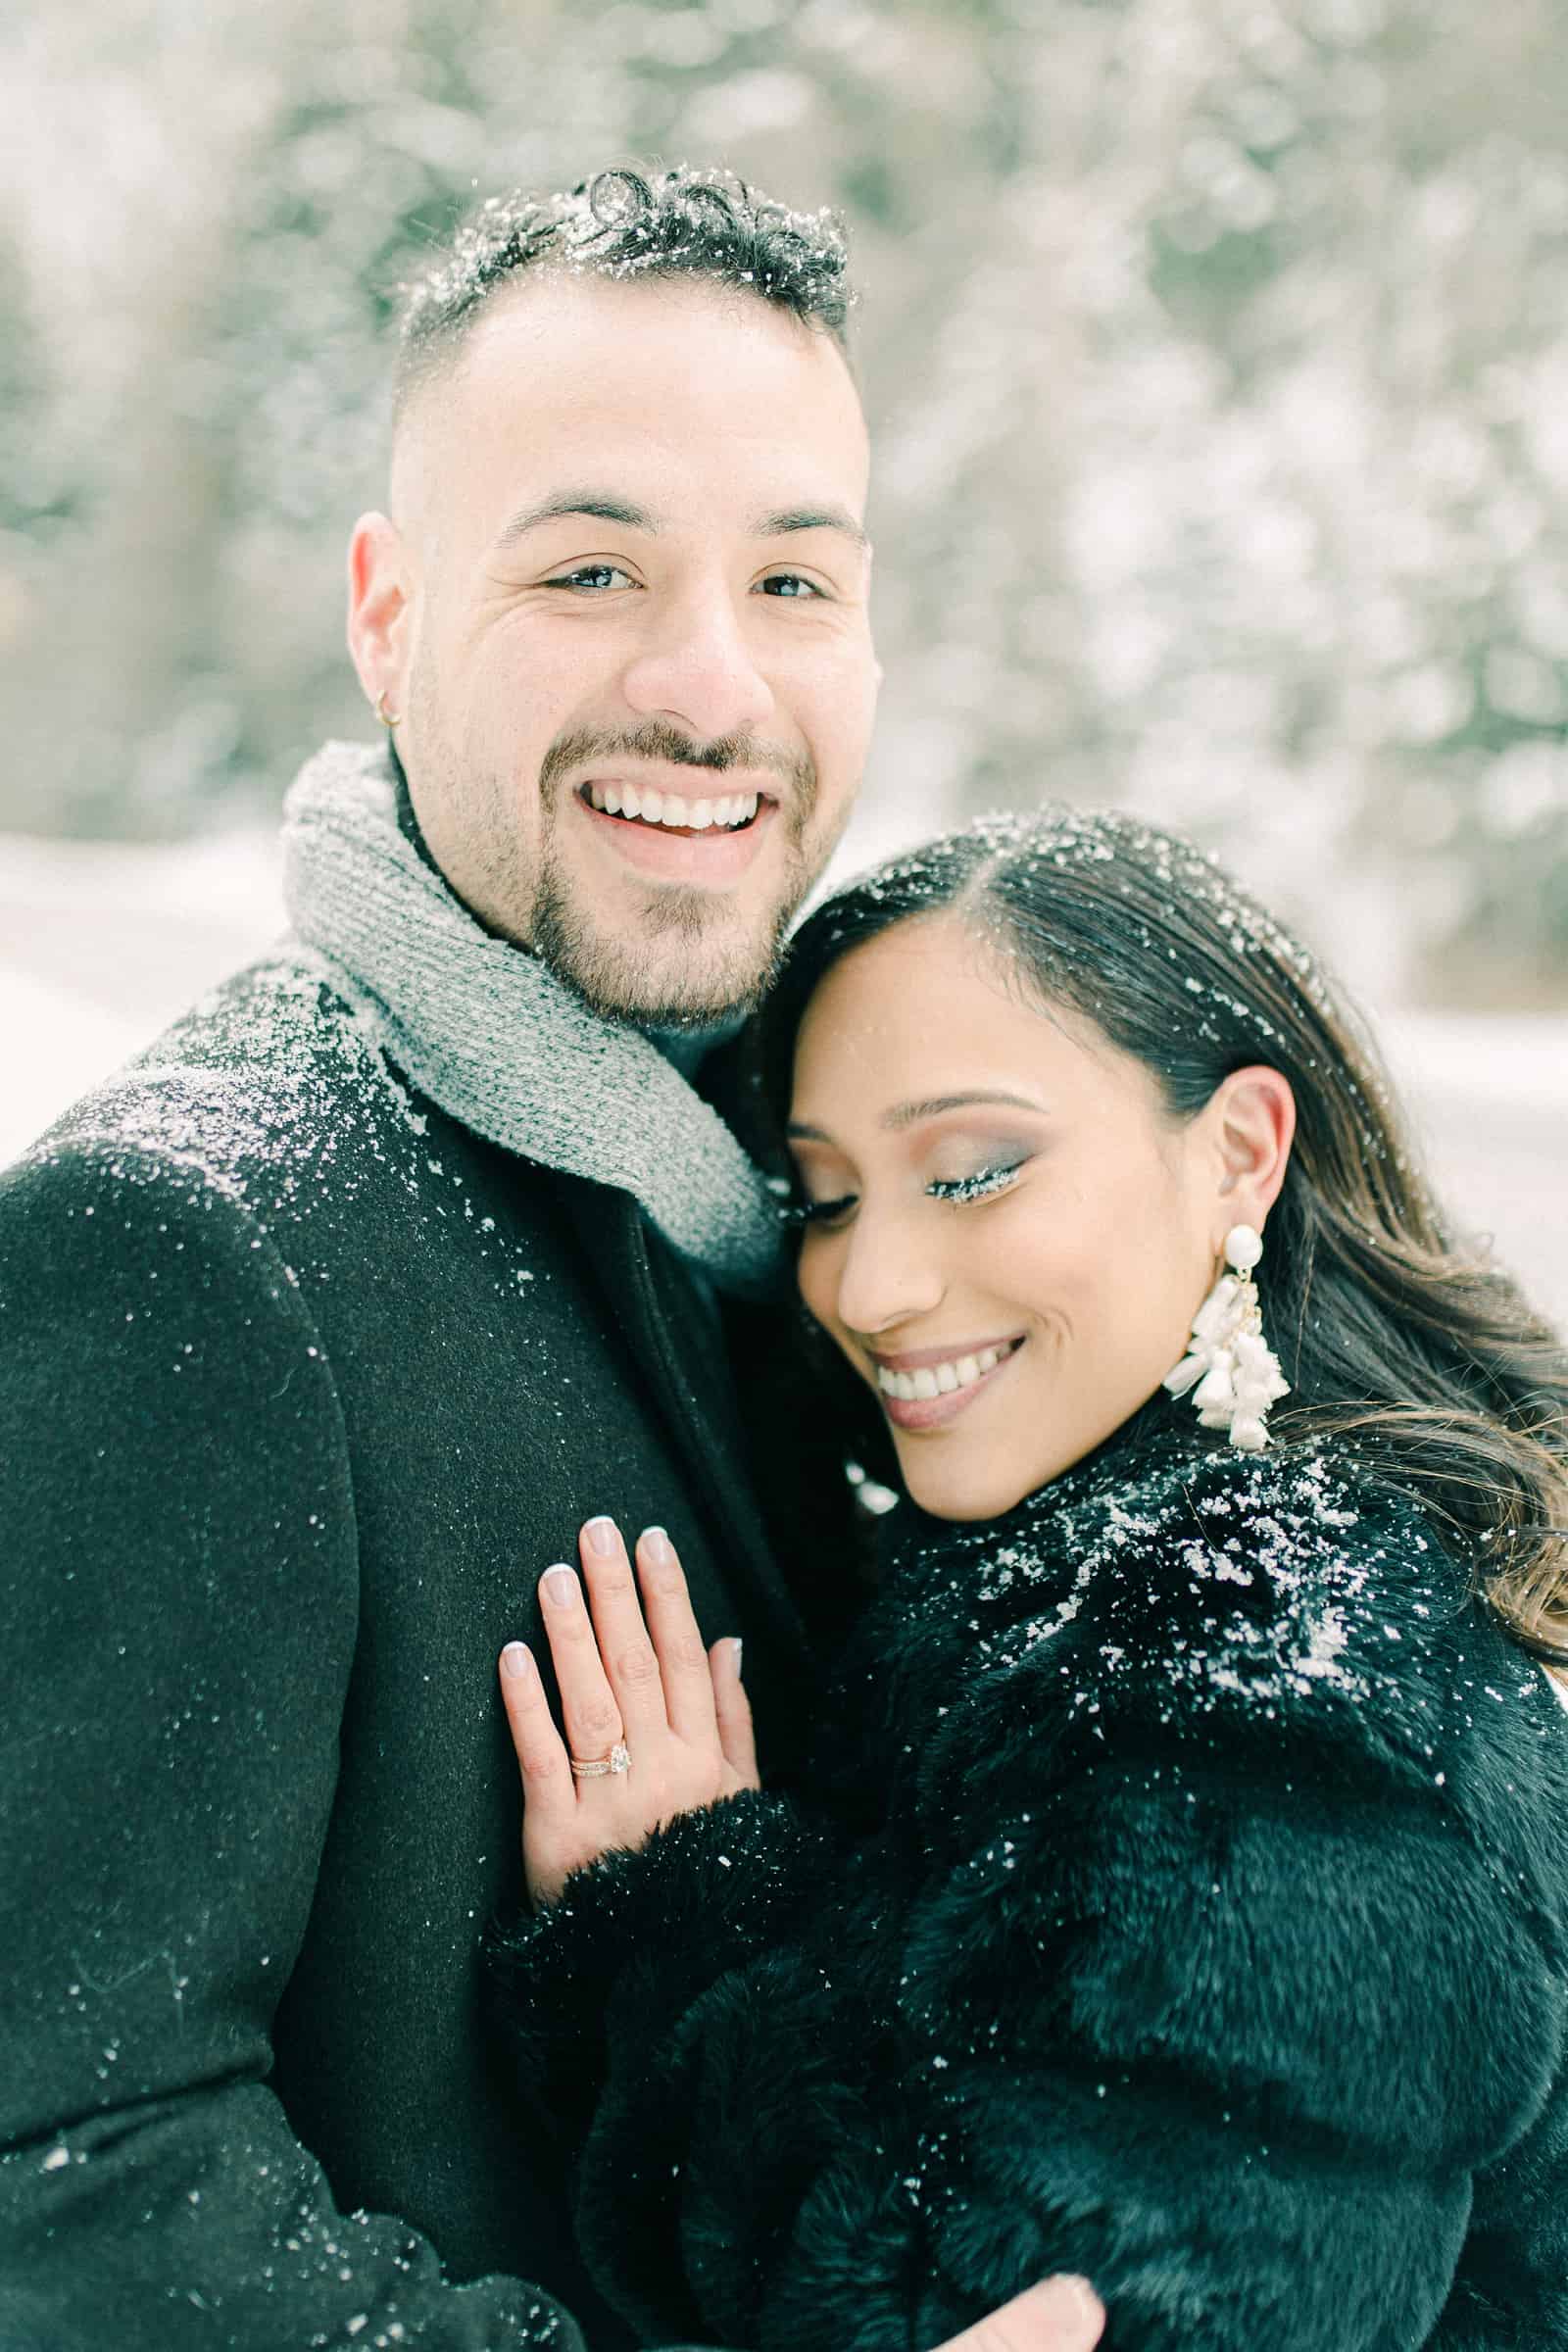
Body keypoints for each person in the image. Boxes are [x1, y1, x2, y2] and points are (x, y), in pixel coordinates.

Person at [0, 170, 1104, 2352]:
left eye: (792, 577)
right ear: (389, 613)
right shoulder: (189, 1249)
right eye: (591, 569)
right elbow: (63, 2168)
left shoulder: (849, 1213)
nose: (710, 689)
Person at [491, 808, 1568, 2351]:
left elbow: (1026, 2306)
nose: (869, 1286)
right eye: (824, 1195)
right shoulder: (1126, 1572)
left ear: (1239, 1153)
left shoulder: (1281, 1671)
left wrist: (674, 1914)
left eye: (976, 1169)